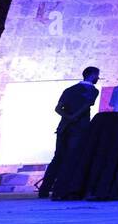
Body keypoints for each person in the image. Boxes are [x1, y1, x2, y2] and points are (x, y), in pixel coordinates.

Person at [39, 66, 101, 199]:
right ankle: (61, 191)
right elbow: (86, 106)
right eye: (97, 75)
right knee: (71, 158)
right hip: (79, 128)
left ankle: (44, 190)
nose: (98, 78)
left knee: (58, 158)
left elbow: (57, 108)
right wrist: (74, 117)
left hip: (63, 127)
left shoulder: (69, 90)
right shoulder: (93, 90)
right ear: (91, 75)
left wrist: (67, 118)